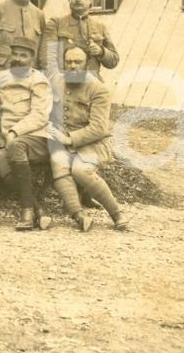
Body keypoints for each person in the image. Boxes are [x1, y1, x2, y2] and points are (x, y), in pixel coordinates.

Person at [47, 47, 129, 232]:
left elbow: (99, 128)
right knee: (59, 166)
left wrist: (69, 139)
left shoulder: (98, 90)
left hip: (93, 142)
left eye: (78, 62)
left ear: (87, 65)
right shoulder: (55, 81)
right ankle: (78, 215)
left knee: (80, 170)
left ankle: (117, 213)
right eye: (68, 62)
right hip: (60, 137)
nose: (73, 66)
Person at [0, 38, 52, 231]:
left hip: (37, 136)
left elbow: (40, 115)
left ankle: (26, 211)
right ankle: (38, 209)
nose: (17, 59)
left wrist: (15, 132)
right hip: (8, 137)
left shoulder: (39, 80)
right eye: (15, 54)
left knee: (16, 146)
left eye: (23, 55)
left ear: (32, 58)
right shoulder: (1, 78)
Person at [43, 0, 119, 78]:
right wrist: (58, 82)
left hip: (92, 84)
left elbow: (113, 61)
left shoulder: (100, 27)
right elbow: (48, 59)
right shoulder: (56, 24)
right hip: (65, 83)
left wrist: (101, 51)